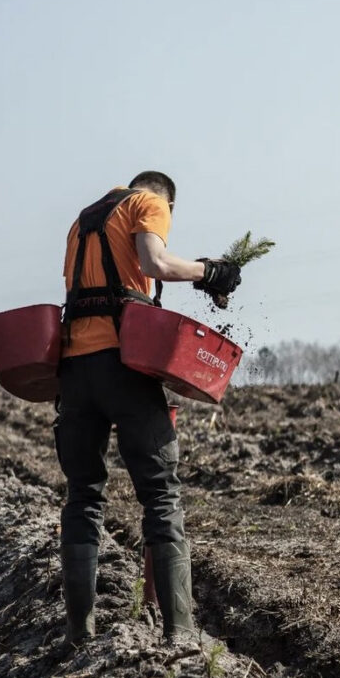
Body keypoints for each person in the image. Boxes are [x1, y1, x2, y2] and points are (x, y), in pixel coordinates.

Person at [55, 171, 241, 645]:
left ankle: (79, 633)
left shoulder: (84, 219)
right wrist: (208, 272)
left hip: (74, 370)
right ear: (167, 206)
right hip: (123, 364)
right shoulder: (149, 204)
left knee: (83, 495)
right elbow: (154, 263)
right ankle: (180, 633)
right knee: (160, 494)